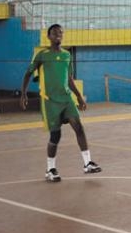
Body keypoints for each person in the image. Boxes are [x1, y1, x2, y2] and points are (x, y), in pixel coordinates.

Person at [20, 24, 102, 182]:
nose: (58, 34)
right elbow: (28, 73)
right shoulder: (42, 55)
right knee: (55, 135)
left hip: (66, 99)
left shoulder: (66, 55)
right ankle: (50, 169)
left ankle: (88, 163)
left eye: (60, 32)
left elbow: (69, 78)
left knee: (79, 127)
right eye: (55, 32)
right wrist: (23, 93)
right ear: (49, 36)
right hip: (50, 101)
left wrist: (78, 96)